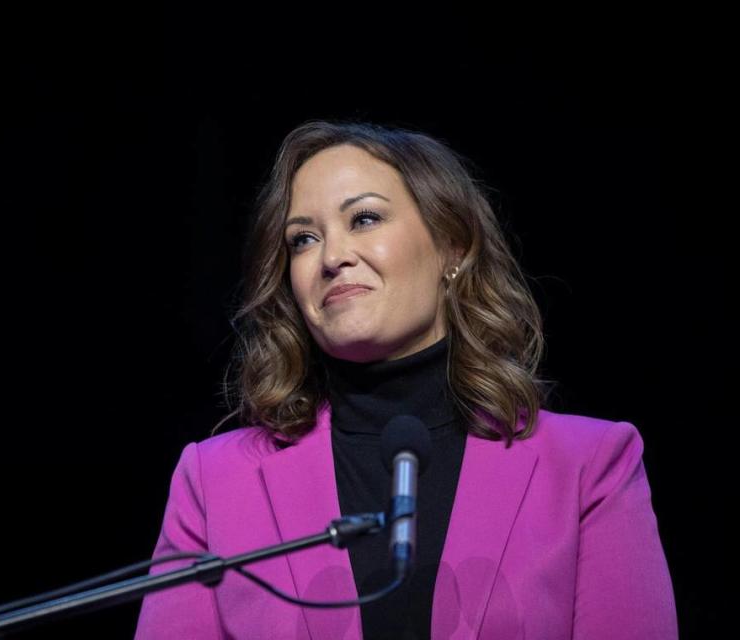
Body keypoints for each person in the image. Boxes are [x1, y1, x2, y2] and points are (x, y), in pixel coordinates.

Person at [133, 120, 678, 639]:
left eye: (364, 219)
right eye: (303, 239)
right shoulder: (214, 482)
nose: (332, 257)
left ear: (453, 248)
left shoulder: (590, 466)